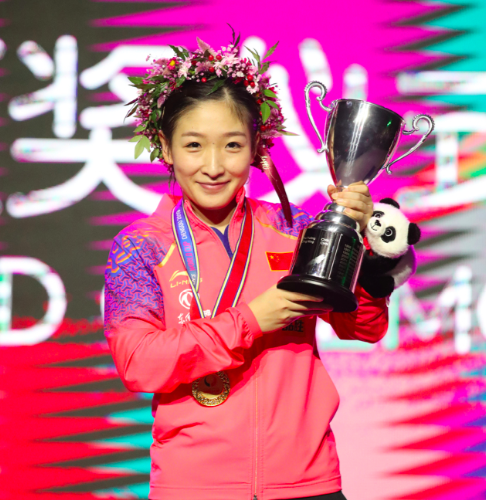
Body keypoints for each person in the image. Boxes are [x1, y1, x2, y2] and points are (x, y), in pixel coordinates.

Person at [104, 37, 391, 500]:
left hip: (307, 483)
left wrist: (363, 252)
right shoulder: (140, 246)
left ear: (257, 146)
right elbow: (139, 363)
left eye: (232, 145)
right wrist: (253, 319)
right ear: (165, 147)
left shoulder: (294, 228)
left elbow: (363, 327)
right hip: (193, 487)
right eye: (193, 145)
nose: (214, 166)